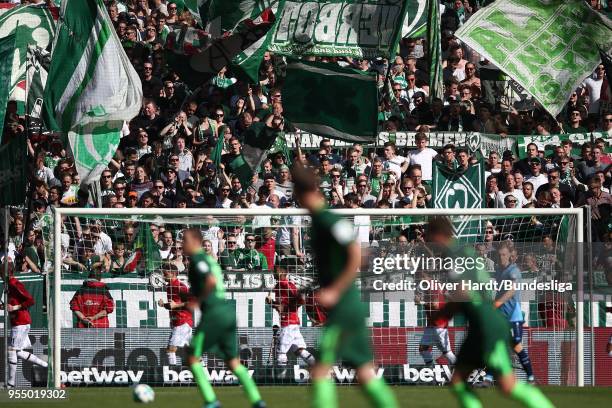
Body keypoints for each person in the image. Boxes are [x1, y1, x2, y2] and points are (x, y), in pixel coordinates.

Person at [291, 165, 397, 408]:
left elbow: (355, 253)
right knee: (364, 375)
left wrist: (335, 290)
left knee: (320, 372)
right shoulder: (318, 222)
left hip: (344, 308)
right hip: (346, 307)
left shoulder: (328, 220)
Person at [428, 218, 553, 408]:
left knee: (507, 386)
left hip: (487, 325)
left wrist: (444, 312)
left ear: (437, 235)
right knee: (458, 381)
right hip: (480, 325)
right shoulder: (466, 251)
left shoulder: (453, 255)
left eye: (429, 237)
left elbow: (463, 291)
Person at [183, 228, 266, 408]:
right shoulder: (207, 260)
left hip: (214, 312)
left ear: (195, 241)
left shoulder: (198, 259)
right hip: (227, 312)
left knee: (191, 357)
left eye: (185, 240)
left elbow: (211, 281)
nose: (182, 244)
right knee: (233, 361)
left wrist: (197, 301)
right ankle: (257, 401)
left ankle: (211, 401)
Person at [266, 257, 316, 377]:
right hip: (291, 323)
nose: (274, 274)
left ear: (283, 272)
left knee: (281, 352)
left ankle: (280, 380)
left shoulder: (287, 285)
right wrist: (272, 303)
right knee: (300, 350)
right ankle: (322, 371)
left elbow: (300, 301)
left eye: (276, 271)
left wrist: (283, 306)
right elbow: (280, 306)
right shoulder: (278, 286)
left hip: (288, 323)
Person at [1, 260, 48, 388]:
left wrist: (15, 308)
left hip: (21, 322)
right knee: (18, 352)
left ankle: (10, 384)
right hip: (19, 322)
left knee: (11, 350)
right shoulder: (8, 285)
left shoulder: (14, 283)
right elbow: (12, 303)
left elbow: (31, 300)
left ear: (5, 272)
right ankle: (47, 366)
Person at [157, 262, 194, 366]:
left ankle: (172, 375)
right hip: (178, 322)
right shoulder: (169, 286)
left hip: (183, 322)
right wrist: (163, 304)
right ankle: (205, 372)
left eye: (165, 273)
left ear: (173, 273)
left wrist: (175, 306)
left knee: (170, 350)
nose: (163, 275)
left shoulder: (180, 286)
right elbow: (172, 305)